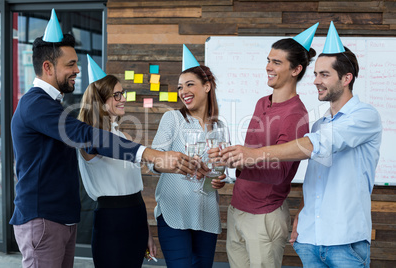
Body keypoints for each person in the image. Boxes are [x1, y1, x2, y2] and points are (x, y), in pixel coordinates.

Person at [10, 10, 191, 268]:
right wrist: (150, 154)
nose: (77, 70)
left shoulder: (52, 105)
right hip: (43, 218)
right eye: (71, 64)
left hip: (61, 218)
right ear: (48, 67)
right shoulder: (36, 105)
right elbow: (86, 135)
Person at [219, 22, 382, 268]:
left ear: (346, 78)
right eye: (315, 74)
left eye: (324, 75)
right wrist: (302, 215)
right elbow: (316, 179)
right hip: (310, 238)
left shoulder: (364, 116)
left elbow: (318, 145)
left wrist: (251, 155)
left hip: (344, 241)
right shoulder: (319, 124)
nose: (315, 80)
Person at [207, 24, 317, 268]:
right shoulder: (261, 103)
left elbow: (279, 173)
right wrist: (228, 161)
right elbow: (252, 156)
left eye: (277, 62)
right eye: (269, 60)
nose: (268, 67)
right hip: (238, 209)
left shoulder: (295, 115)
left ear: (296, 70)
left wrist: (244, 157)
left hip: (264, 216)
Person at [147, 45, 225, 268]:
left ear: (207, 86)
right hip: (174, 211)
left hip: (206, 212)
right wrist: (175, 163)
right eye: (181, 87)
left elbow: (216, 171)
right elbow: (154, 163)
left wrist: (218, 178)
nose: (183, 91)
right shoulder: (172, 119)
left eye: (190, 84)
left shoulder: (219, 126)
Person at [77, 65, 156, 267]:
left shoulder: (126, 137)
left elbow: (134, 187)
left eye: (123, 93)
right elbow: (104, 142)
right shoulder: (89, 141)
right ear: (100, 101)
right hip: (111, 220)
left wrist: (146, 229)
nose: (123, 99)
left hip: (137, 215)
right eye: (116, 95)